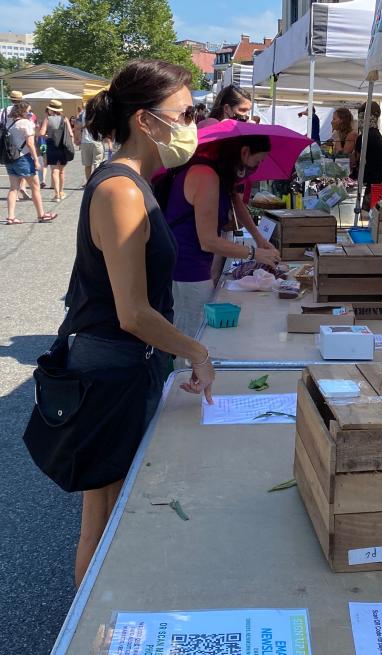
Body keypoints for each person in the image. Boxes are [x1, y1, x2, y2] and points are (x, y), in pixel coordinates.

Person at [68, 59, 216, 585]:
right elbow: (132, 312)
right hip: (111, 369)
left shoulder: (140, 183)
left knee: (116, 510)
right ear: (145, 121)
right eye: (185, 112)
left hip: (130, 365)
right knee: (104, 518)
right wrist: (196, 352)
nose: (192, 123)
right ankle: (92, 631)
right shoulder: (121, 190)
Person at [155, 136, 281, 340]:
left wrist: (259, 238)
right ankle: (186, 372)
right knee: (193, 337)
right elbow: (208, 241)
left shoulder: (219, 174)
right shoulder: (206, 176)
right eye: (258, 162)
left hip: (192, 264)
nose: (257, 167)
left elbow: (236, 201)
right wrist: (255, 253)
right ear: (244, 153)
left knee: (195, 332)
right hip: (186, 269)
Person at [4, 101, 57, 224]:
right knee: (35, 187)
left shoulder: (9, 123)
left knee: (13, 188)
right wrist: (36, 160)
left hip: (11, 158)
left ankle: (11, 217)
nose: (30, 113)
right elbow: (30, 143)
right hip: (24, 158)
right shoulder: (26, 123)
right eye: (28, 110)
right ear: (23, 111)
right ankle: (41, 215)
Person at [40, 99, 74, 202]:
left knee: (54, 170)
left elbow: (41, 133)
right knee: (62, 171)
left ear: (51, 110)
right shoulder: (65, 119)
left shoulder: (47, 119)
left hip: (51, 145)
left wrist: (47, 136)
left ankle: (56, 195)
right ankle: (62, 192)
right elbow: (71, 134)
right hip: (63, 146)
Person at [351, 102, 382, 188]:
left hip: (365, 182)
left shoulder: (363, 137)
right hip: (377, 182)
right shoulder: (378, 135)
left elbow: (354, 160)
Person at [75, 107, 106, 182]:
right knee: (97, 163)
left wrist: (77, 138)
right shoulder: (99, 112)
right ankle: (96, 182)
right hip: (97, 141)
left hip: (85, 142)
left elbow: (77, 127)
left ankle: (89, 182)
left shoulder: (82, 114)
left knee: (87, 165)